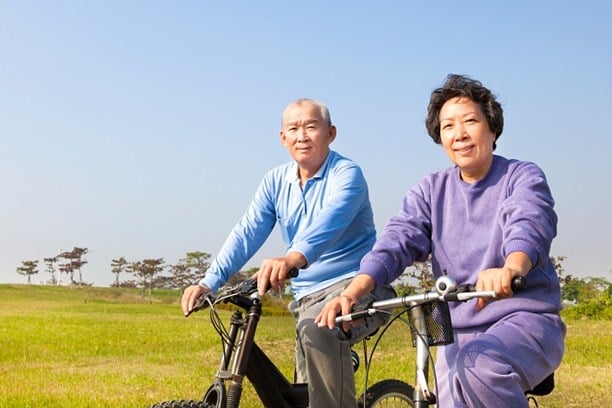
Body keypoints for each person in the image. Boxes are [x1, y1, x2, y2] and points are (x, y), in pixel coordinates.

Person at [316, 74, 566, 408]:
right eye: (448, 126)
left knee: (480, 364)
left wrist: (511, 267)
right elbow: (397, 240)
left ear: (492, 128)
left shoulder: (521, 176)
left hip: (524, 319)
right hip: (454, 330)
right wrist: (353, 292)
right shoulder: (430, 190)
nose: (459, 134)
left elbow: (529, 221)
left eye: (470, 121)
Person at [181, 98, 394, 407]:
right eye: (293, 128)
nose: (302, 136)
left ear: (331, 133)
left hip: (358, 288)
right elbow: (248, 230)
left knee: (322, 344)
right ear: (283, 138)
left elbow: (329, 222)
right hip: (307, 299)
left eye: (311, 126)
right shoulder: (275, 181)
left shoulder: (347, 174)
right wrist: (208, 282)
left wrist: (292, 257)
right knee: (304, 395)